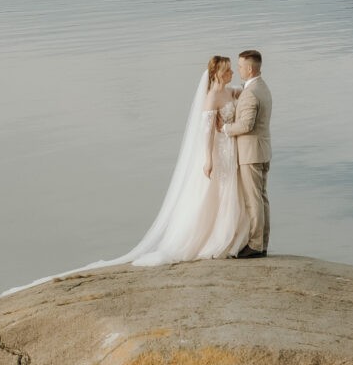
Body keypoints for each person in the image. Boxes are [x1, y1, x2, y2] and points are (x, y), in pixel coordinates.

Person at [110, 54, 250, 267]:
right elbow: (206, 132)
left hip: (231, 148)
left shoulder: (229, 91)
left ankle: (234, 236)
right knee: (219, 191)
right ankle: (218, 238)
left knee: (232, 190)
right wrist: (208, 159)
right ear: (217, 74)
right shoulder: (212, 97)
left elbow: (243, 92)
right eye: (227, 70)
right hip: (219, 151)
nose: (232, 73)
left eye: (232, 68)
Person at [224, 48, 272, 256]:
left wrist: (225, 128)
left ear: (250, 69)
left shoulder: (251, 93)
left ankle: (254, 245)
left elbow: (246, 125)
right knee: (261, 198)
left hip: (251, 153)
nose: (238, 70)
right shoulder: (262, 87)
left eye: (241, 66)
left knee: (253, 200)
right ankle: (262, 243)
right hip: (262, 150)